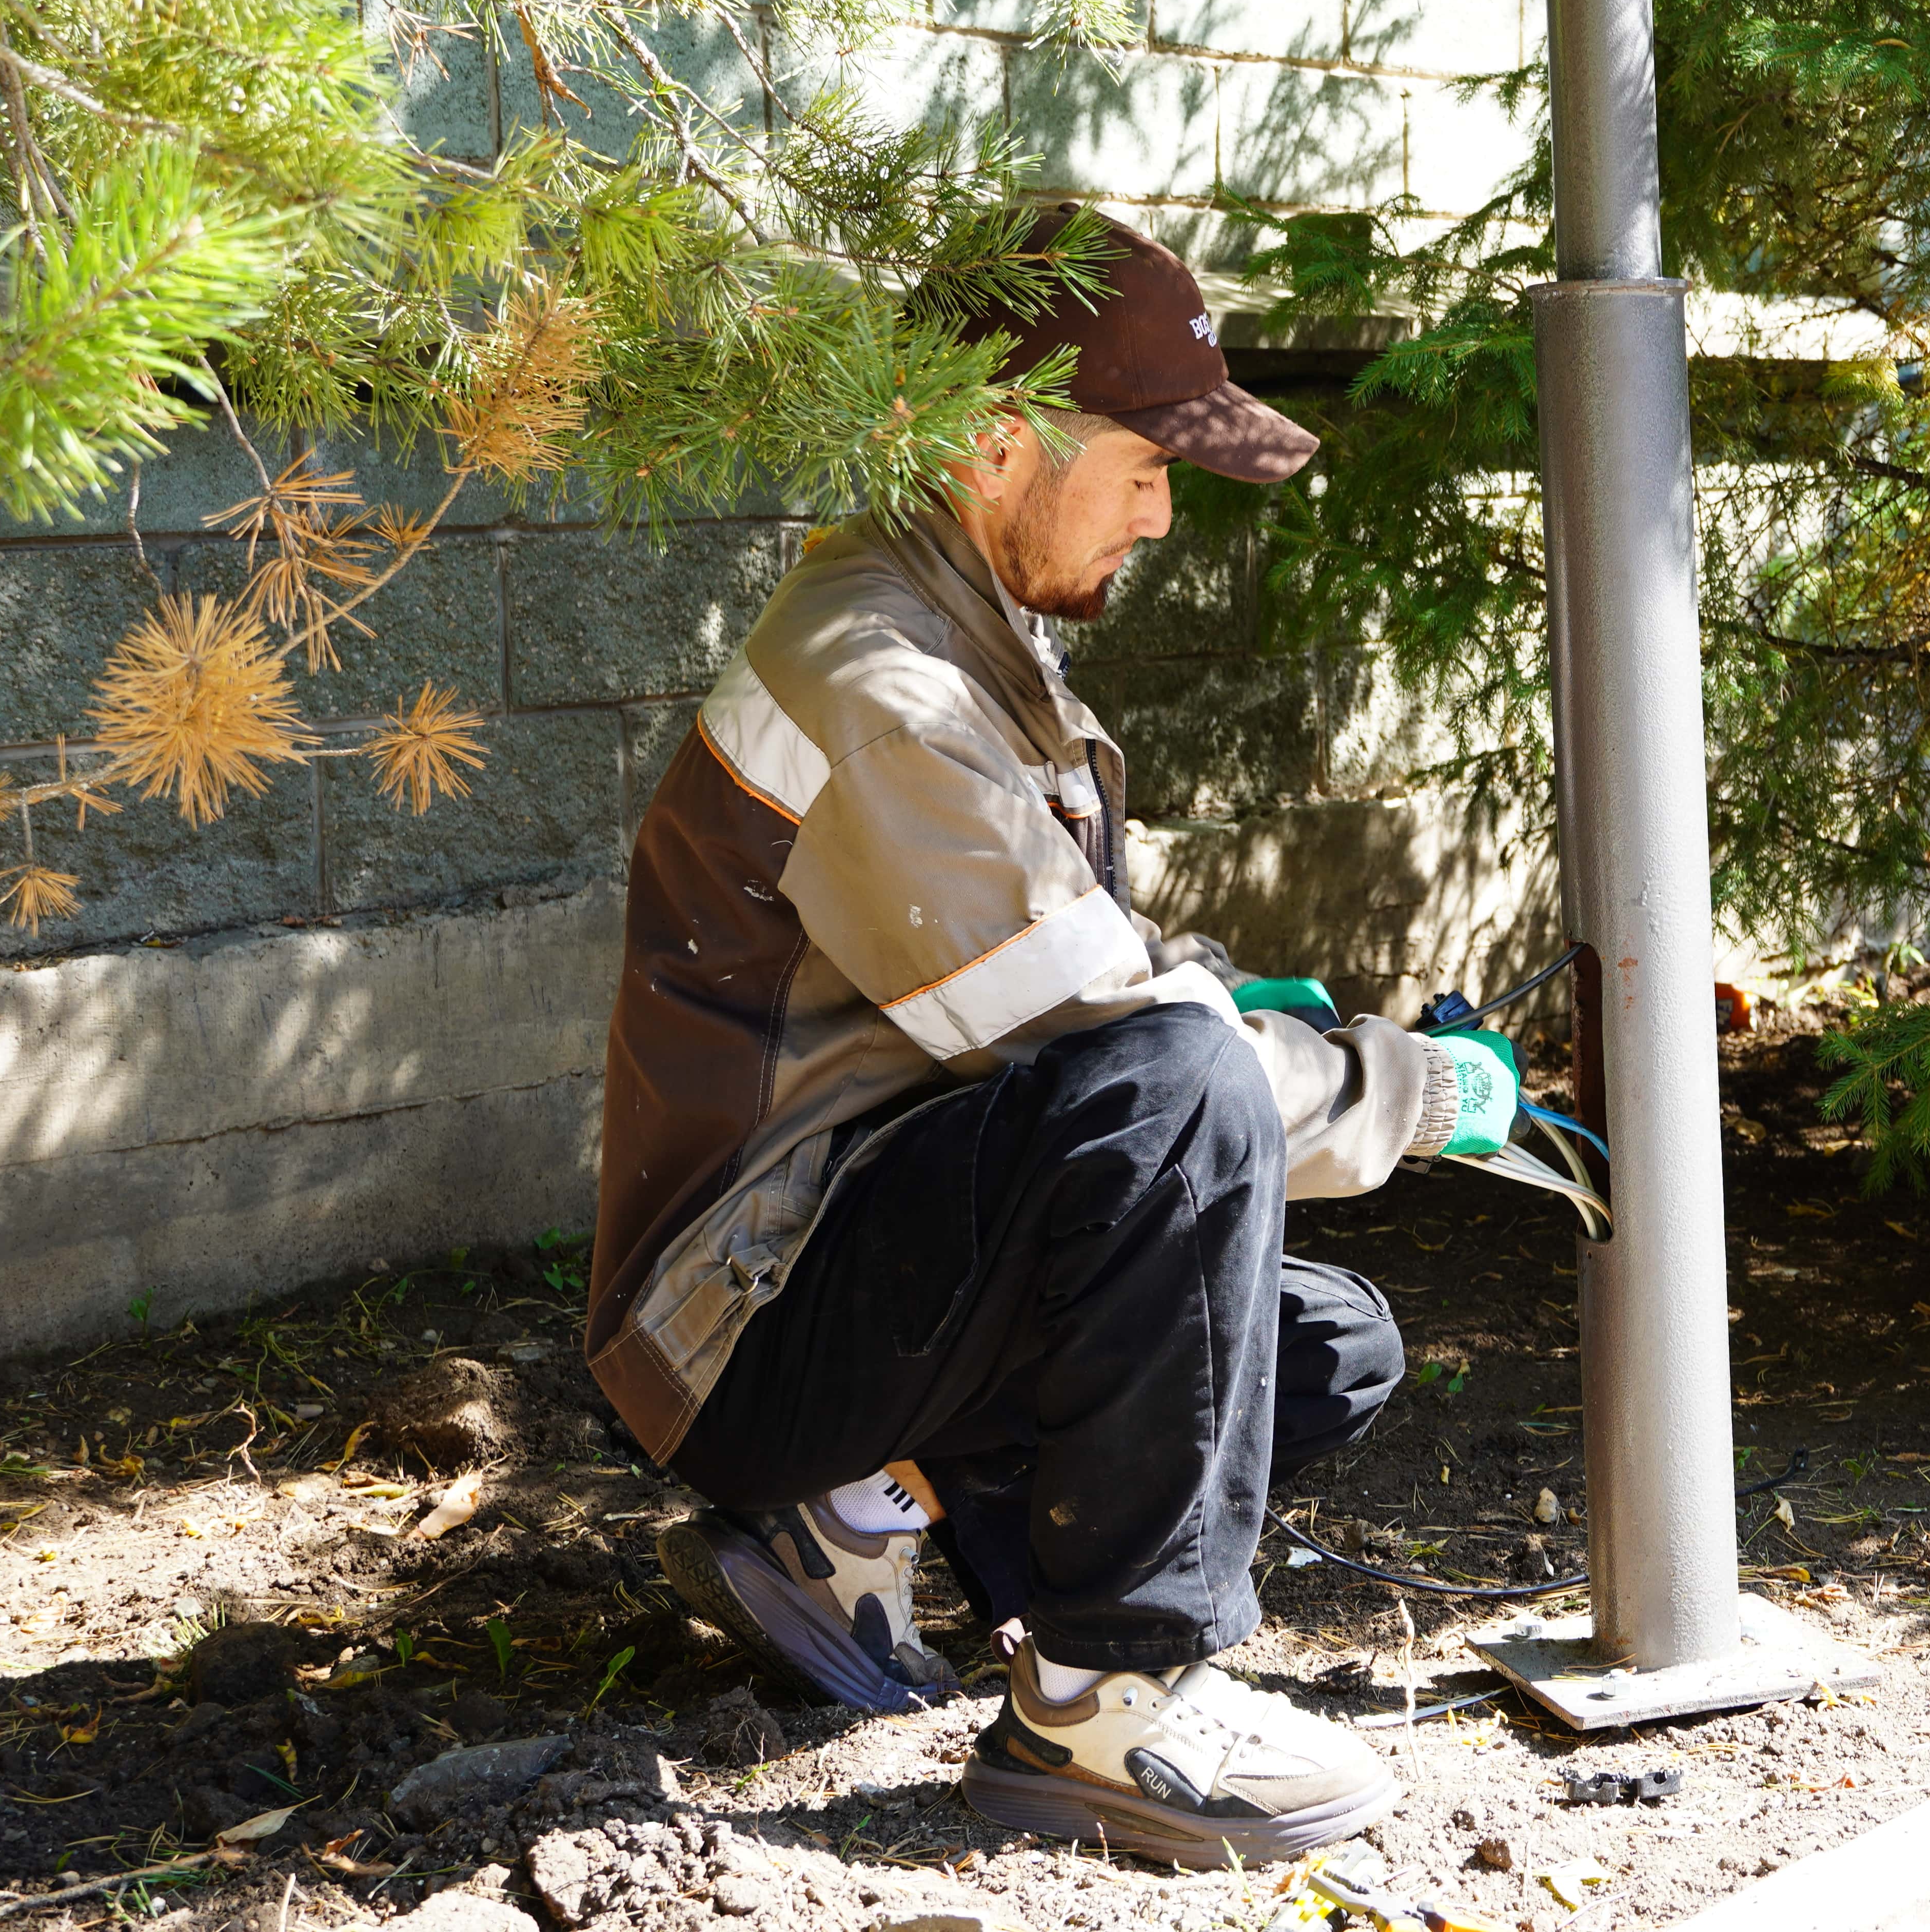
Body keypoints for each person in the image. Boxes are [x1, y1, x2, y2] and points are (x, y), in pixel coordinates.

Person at [581, 209, 1521, 1867]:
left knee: (1323, 1350)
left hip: (853, 1251)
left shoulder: (966, 630)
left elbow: (1074, 979)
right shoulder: (883, 684)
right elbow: (1119, 1047)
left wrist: (1226, 997)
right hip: (744, 1321)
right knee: (1185, 1098)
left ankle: (857, 1512)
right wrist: (1417, 1089)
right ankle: (1108, 1704)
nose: (1164, 511)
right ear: (998, 440)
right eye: (1145, 464)